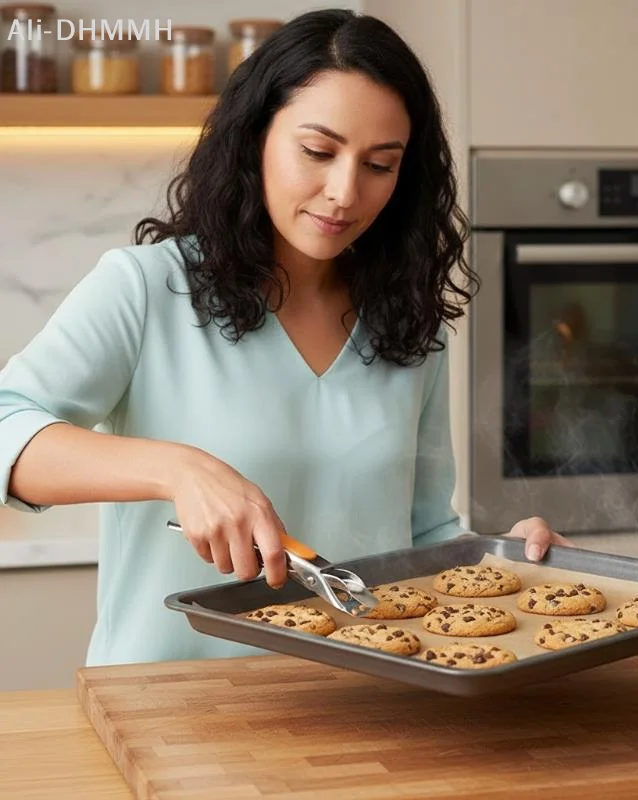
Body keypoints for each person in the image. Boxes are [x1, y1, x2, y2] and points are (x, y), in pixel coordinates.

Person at [0, 9, 570, 666]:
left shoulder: (410, 324)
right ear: (254, 139)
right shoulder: (145, 288)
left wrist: (509, 560)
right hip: (169, 716)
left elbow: (419, 537)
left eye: (380, 165)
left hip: (361, 715)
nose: (344, 192)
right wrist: (180, 470)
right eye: (318, 152)